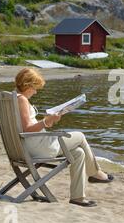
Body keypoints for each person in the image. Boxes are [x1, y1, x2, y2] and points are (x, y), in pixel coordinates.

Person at [14, 68, 113, 207]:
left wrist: (47, 121)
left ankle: (77, 197)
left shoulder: (12, 97)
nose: (35, 92)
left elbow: (25, 127)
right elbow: (27, 129)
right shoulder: (22, 100)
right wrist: (46, 121)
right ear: (27, 84)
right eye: (34, 88)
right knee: (80, 135)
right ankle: (95, 173)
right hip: (38, 148)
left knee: (79, 153)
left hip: (27, 146)